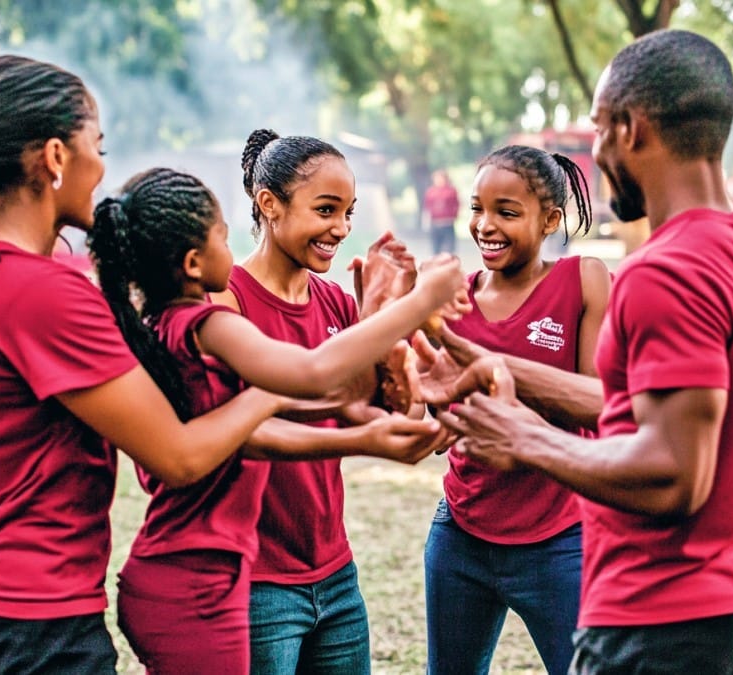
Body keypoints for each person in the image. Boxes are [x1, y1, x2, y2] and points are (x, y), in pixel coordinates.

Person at [0, 55, 324, 673]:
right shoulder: (40, 291)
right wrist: (270, 389)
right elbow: (177, 457)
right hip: (32, 621)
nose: (103, 167)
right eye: (97, 145)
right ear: (55, 158)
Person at [417, 30, 733, 673]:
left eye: (597, 129)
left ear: (628, 127)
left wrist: (524, 438)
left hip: (658, 613)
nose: (595, 151)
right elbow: (646, 411)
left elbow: (673, 474)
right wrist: (489, 368)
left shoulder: (662, 270)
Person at [86, 167, 461, 673]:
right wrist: (422, 300)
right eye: (221, 233)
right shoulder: (210, 322)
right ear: (195, 262)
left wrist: (365, 428)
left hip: (198, 576)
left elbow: (259, 422)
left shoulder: (166, 326)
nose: (230, 241)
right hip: (199, 588)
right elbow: (308, 373)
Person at [207, 128, 460, 674]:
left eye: (348, 212)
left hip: (334, 571)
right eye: (326, 210)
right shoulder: (227, 298)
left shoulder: (335, 303)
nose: (341, 229)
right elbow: (237, 429)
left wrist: (389, 337)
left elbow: (400, 411)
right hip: (258, 579)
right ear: (268, 204)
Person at [422, 145, 609, 675]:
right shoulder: (452, 299)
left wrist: (498, 378)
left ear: (550, 220)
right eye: (476, 208)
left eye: (507, 212)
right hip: (461, 534)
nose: (485, 225)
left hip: (559, 539)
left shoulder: (584, 280)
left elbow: (600, 407)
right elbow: (436, 416)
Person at [423, 169, 461, 255]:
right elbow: (427, 207)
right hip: (435, 223)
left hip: (447, 223)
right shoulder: (430, 192)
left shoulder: (451, 191)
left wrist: (454, 215)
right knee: (436, 249)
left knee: (448, 250)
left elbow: (456, 204)